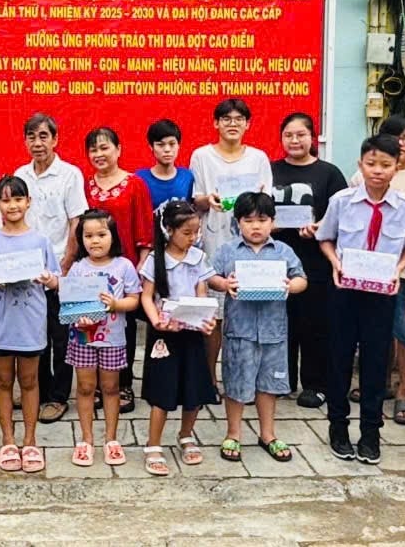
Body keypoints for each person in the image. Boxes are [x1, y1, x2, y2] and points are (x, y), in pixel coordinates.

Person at [317, 134, 405, 466]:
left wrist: (397, 270)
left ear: (396, 167)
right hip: (344, 290)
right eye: (371, 163)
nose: (377, 171)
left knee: (376, 362)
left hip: (381, 294)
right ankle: (338, 426)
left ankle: (371, 433)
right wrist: (335, 263)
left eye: (385, 165)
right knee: (339, 358)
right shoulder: (342, 201)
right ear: (360, 165)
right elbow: (325, 238)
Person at [208, 193, 307, 464]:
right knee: (236, 381)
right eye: (248, 220)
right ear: (238, 222)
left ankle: (268, 434)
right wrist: (224, 284)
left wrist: (291, 286)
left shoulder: (283, 251)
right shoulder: (228, 250)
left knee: (269, 384)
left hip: (274, 332)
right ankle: (233, 433)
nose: (255, 226)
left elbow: (302, 279)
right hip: (239, 331)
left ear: (272, 222)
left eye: (262, 220)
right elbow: (211, 276)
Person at [0, 175, 60, 475]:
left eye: (18, 199)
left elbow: (55, 280)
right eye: (6, 200)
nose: (13, 206)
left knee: (30, 380)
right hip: (0, 321)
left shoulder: (40, 241)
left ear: (28, 202)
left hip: (30, 321)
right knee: (2, 379)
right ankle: (8, 439)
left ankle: (30, 440)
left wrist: (48, 279)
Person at [351, 114, 405, 425]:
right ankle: (377, 382)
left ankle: (404, 392)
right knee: (373, 330)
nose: (401, 144)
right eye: (395, 137)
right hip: (366, 270)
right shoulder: (362, 175)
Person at [190, 98, 273, 389]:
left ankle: (241, 379)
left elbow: (266, 202)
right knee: (213, 315)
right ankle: (209, 380)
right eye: (226, 119)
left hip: (249, 244)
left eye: (239, 119)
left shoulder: (258, 158)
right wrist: (207, 200)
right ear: (216, 123)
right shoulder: (202, 156)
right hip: (214, 239)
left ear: (248, 124)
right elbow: (196, 198)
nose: (232, 124)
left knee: (244, 313)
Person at [14, 113, 88, 424]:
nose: (37, 143)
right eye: (31, 137)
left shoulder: (70, 175)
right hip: (28, 272)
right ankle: (38, 390)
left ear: (55, 139)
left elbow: (76, 222)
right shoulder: (20, 175)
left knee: (61, 336)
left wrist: (65, 265)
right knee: (34, 334)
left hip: (59, 269)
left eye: (43, 136)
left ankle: (58, 396)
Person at [270, 112, 347, 409]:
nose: (294, 140)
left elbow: (342, 214)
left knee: (315, 324)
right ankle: (281, 379)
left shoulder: (329, 173)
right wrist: (268, 224)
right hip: (276, 259)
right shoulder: (270, 170)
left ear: (312, 137)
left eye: (301, 134)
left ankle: (316, 384)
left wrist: (320, 226)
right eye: (288, 135)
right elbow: (257, 208)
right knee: (281, 323)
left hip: (315, 261)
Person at [138, 200, 218, 477]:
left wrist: (206, 319)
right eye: (186, 232)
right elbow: (147, 297)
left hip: (192, 332)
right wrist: (156, 321)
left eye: (196, 232)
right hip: (165, 333)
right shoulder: (155, 260)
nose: (192, 237)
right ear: (169, 230)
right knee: (162, 390)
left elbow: (202, 293)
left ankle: (186, 434)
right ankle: (153, 443)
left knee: (194, 388)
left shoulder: (198, 258)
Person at [64, 209, 141, 468]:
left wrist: (116, 304)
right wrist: (78, 317)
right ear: (81, 239)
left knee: (110, 388)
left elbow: (134, 299)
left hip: (113, 338)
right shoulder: (78, 268)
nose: (95, 241)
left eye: (101, 234)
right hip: (82, 337)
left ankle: (111, 439)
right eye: (88, 236)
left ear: (113, 236)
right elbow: (69, 303)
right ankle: (86, 439)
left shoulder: (124, 266)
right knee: (85, 387)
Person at [83, 126, 153, 414]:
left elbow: (145, 229)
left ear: (118, 149)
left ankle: (123, 383)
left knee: (123, 325)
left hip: (124, 268)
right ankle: (96, 385)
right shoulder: (85, 185)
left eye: (105, 147)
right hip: (91, 269)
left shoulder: (135, 184)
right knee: (91, 321)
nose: (99, 154)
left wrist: (140, 265)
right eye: (93, 149)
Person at [137, 119, 195, 208]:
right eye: (160, 145)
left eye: (172, 144)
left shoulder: (187, 177)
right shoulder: (140, 179)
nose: (167, 150)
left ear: (178, 145)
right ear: (151, 147)